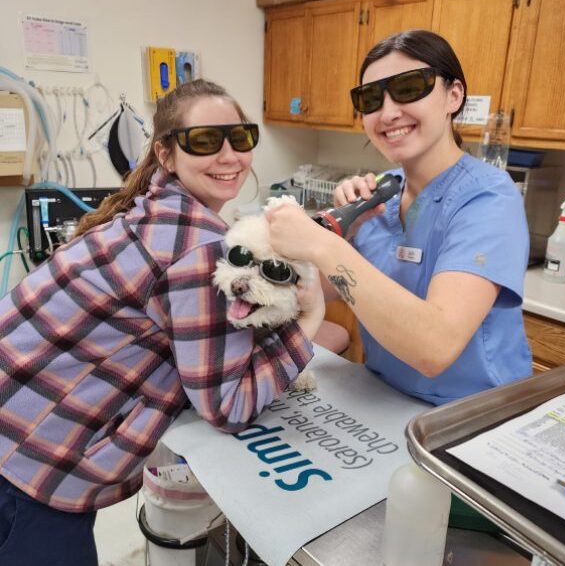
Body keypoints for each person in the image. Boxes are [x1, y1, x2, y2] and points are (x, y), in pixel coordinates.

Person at [0, 78, 324, 565]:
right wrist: (311, 315)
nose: (230, 155)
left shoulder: (153, 209)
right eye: (205, 141)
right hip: (30, 466)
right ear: (166, 153)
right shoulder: (197, 245)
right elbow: (227, 407)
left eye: (241, 137)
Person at [267, 29, 531, 405]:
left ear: (453, 96)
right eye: (371, 98)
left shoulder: (488, 198)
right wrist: (342, 234)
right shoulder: (379, 193)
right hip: (385, 401)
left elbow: (434, 348)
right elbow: (314, 292)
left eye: (409, 88)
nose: (388, 112)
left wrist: (323, 245)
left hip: (471, 415)